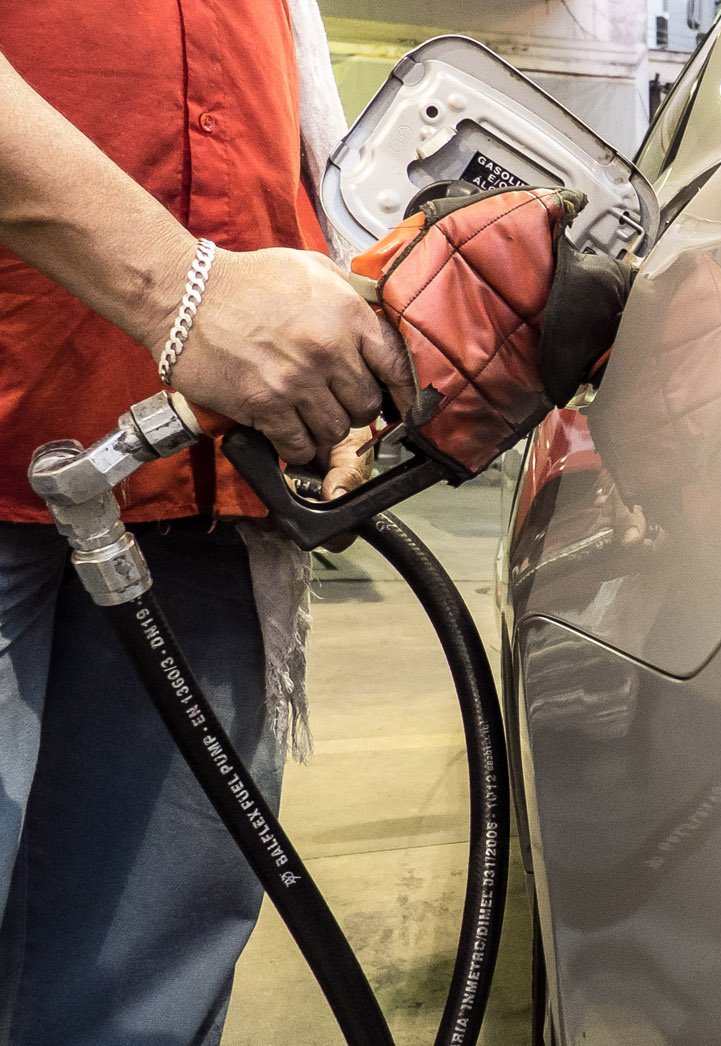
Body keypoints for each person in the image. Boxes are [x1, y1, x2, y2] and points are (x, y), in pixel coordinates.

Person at [0, 5, 402, 1043]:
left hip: (207, 484)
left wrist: (328, 351)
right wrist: (187, 292)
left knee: (146, 991)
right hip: (43, 402)